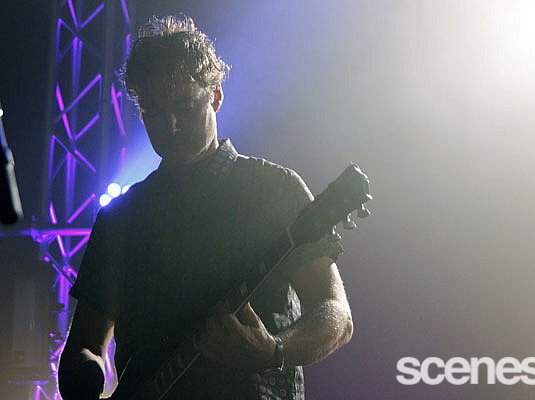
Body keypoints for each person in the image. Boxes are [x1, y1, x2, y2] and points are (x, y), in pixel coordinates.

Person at [57, 15, 353, 400]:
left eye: (184, 106)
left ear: (215, 96)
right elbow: (86, 343)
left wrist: (274, 350)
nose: (170, 127)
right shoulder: (121, 218)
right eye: (152, 113)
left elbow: (335, 314)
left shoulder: (275, 189)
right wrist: (82, 376)